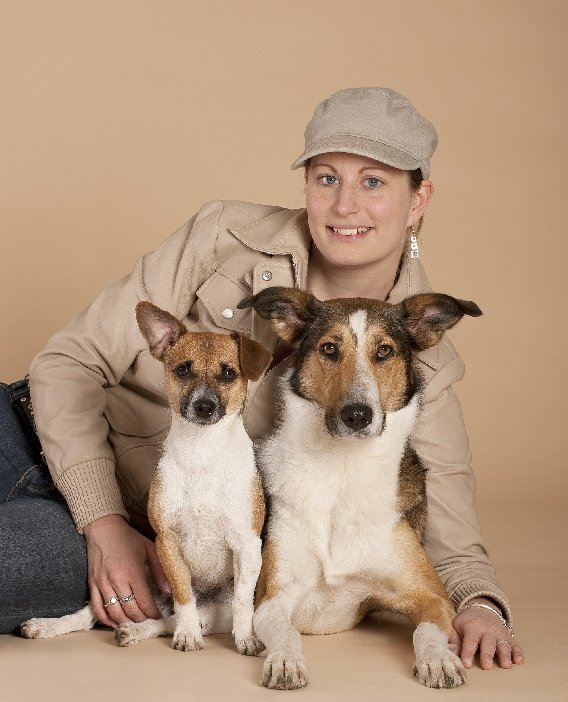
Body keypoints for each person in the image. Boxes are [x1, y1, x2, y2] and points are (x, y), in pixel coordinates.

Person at [0, 87, 524, 671]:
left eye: (374, 182)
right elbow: (67, 363)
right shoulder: (224, 235)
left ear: (419, 197)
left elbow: (450, 517)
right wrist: (102, 522)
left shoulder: (416, 352)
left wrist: (479, 604)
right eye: (327, 177)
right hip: (28, 430)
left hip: (148, 532)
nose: (345, 205)